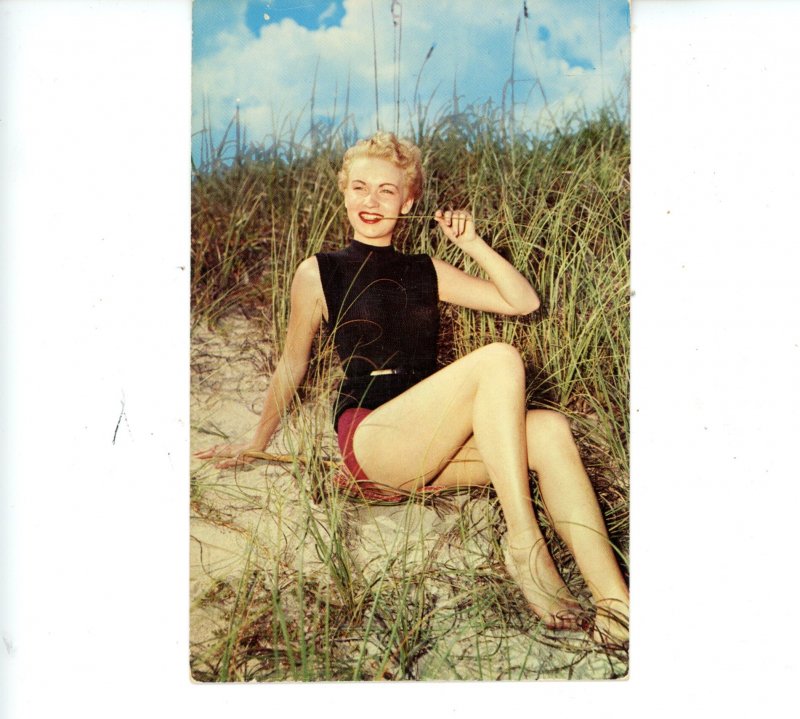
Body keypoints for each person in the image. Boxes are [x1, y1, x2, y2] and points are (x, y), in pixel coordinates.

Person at [195, 132, 629, 646]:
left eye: (385, 190)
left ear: (408, 201)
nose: (370, 201)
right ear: (343, 192)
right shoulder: (319, 272)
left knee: (551, 430)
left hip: (427, 449)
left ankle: (616, 607)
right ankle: (524, 540)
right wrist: (256, 443)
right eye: (359, 187)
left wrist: (471, 245)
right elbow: (293, 364)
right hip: (372, 440)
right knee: (499, 359)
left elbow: (522, 303)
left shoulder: (427, 271)